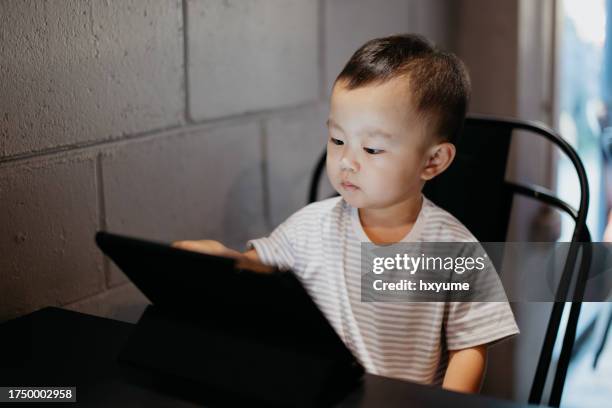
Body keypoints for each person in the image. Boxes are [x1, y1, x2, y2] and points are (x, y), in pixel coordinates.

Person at [174, 34, 519, 393]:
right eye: (338, 140)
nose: (347, 162)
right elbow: (257, 272)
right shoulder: (311, 226)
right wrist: (220, 259)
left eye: (371, 148)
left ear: (432, 161)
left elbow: (470, 349)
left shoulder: (454, 250)